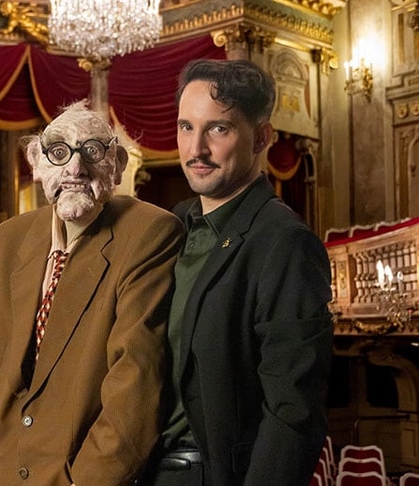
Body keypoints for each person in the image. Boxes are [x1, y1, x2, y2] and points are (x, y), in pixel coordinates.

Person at [0, 100, 184, 486]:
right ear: (36, 163)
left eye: (92, 151)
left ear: (118, 164)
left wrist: (86, 482)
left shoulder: (150, 232)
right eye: (59, 152)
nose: (75, 168)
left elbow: (137, 377)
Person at [144, 59, 333, 486]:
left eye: (218, 129)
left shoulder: (284, 242)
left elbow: (294, 412)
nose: (196, 150)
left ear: (261, 137)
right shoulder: (171, 225)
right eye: (186, 127)